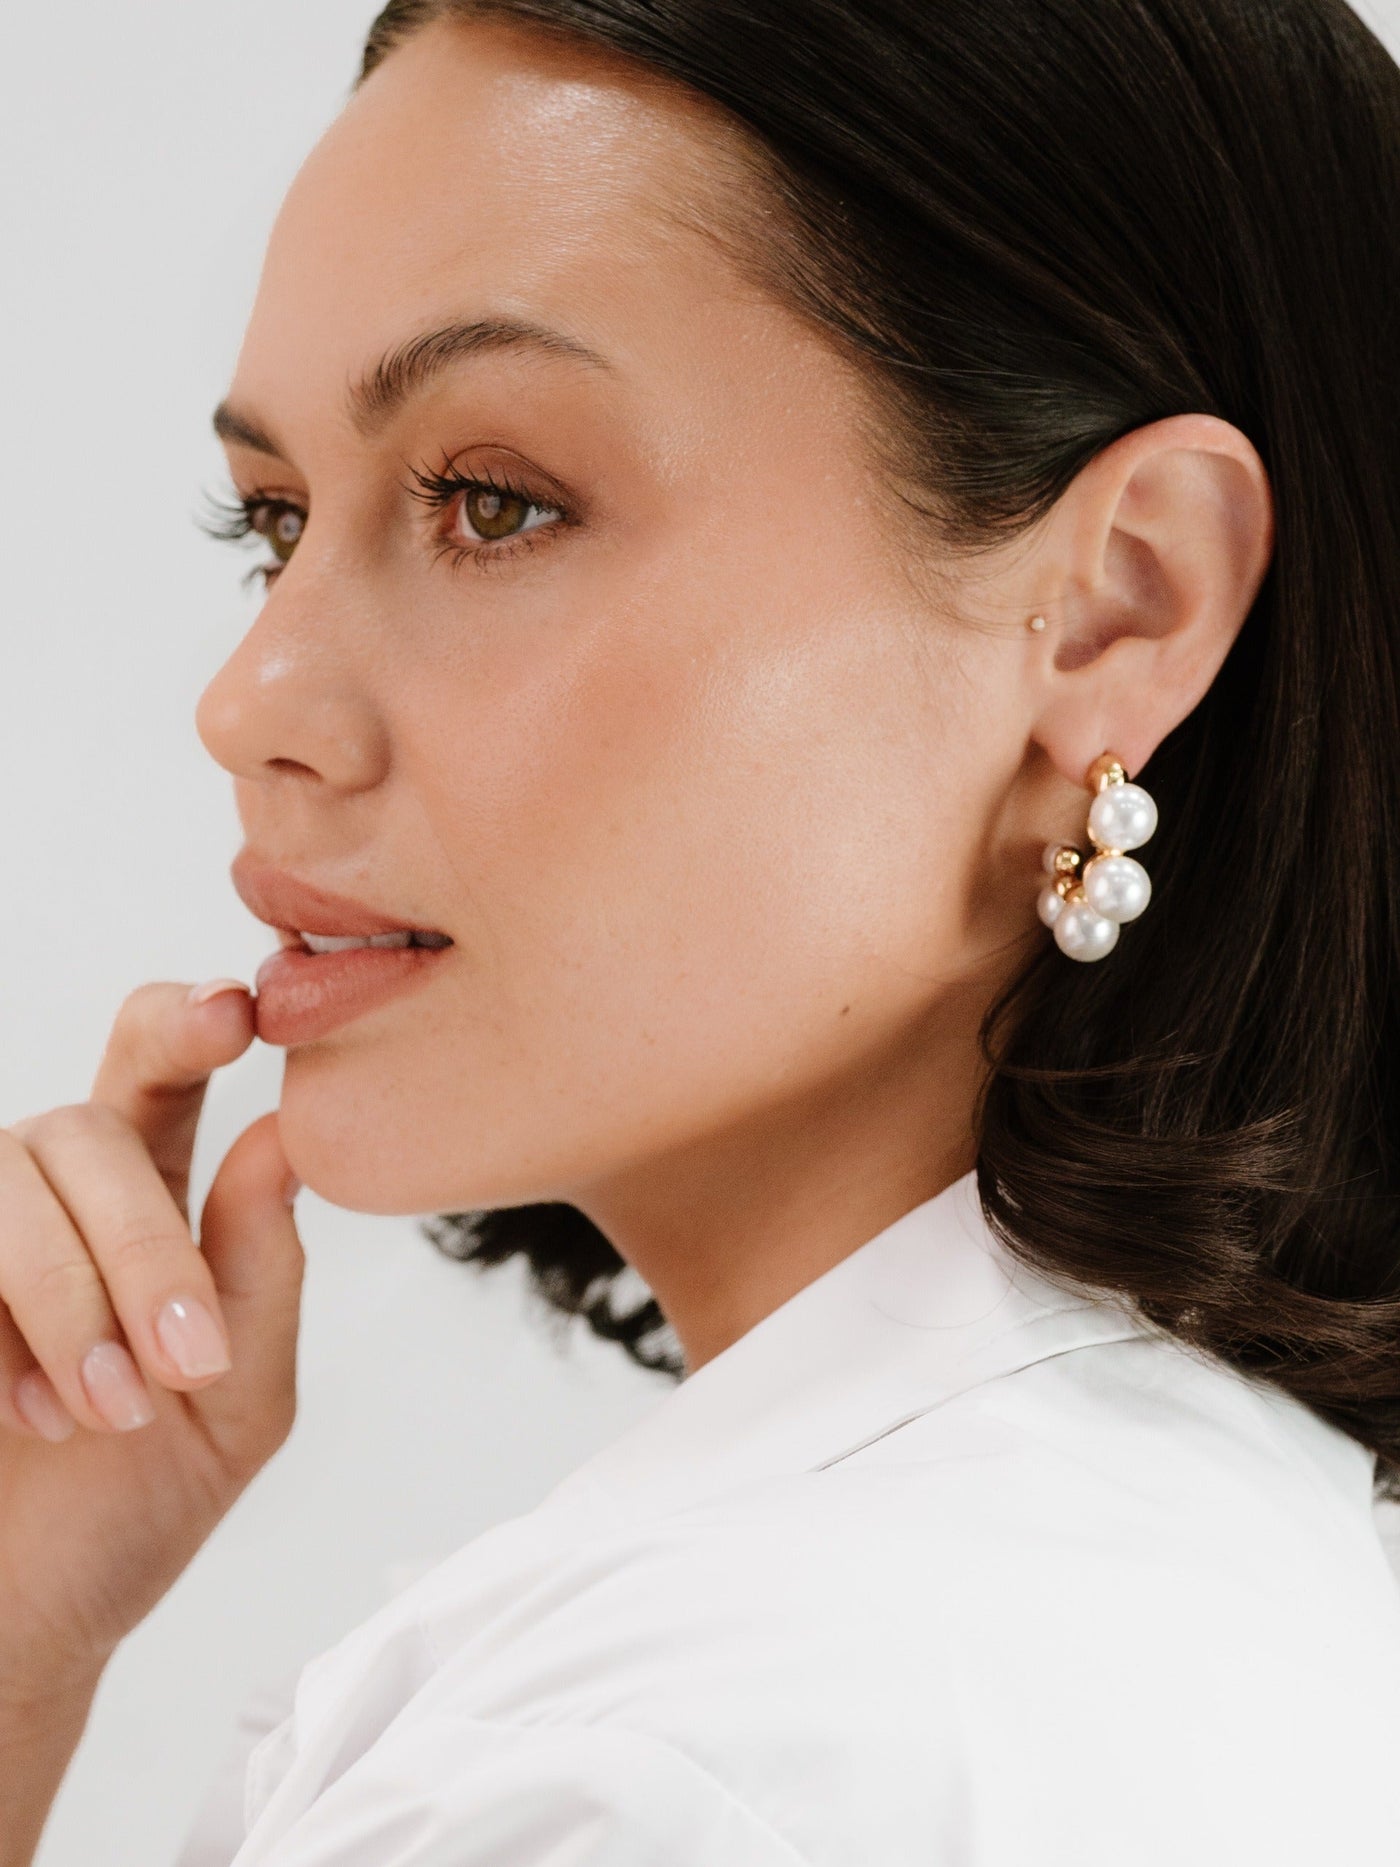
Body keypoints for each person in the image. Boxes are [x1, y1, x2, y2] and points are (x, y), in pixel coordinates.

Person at [3, 0, 1399, 1860]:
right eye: (270, 521)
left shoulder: (715, 1756)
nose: (250, 698)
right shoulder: (1172, 1576)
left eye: (492, 502)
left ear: (1116, 609)